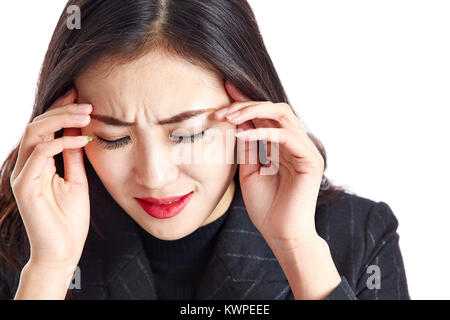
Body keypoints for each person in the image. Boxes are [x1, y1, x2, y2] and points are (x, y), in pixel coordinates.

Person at [0, 0, 409, 300]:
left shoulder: (359, 236)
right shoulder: (22, 241)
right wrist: (48, 271)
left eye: (189, 134)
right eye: (114, 137)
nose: (155, 176)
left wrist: (299, 249)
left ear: (250, 113)